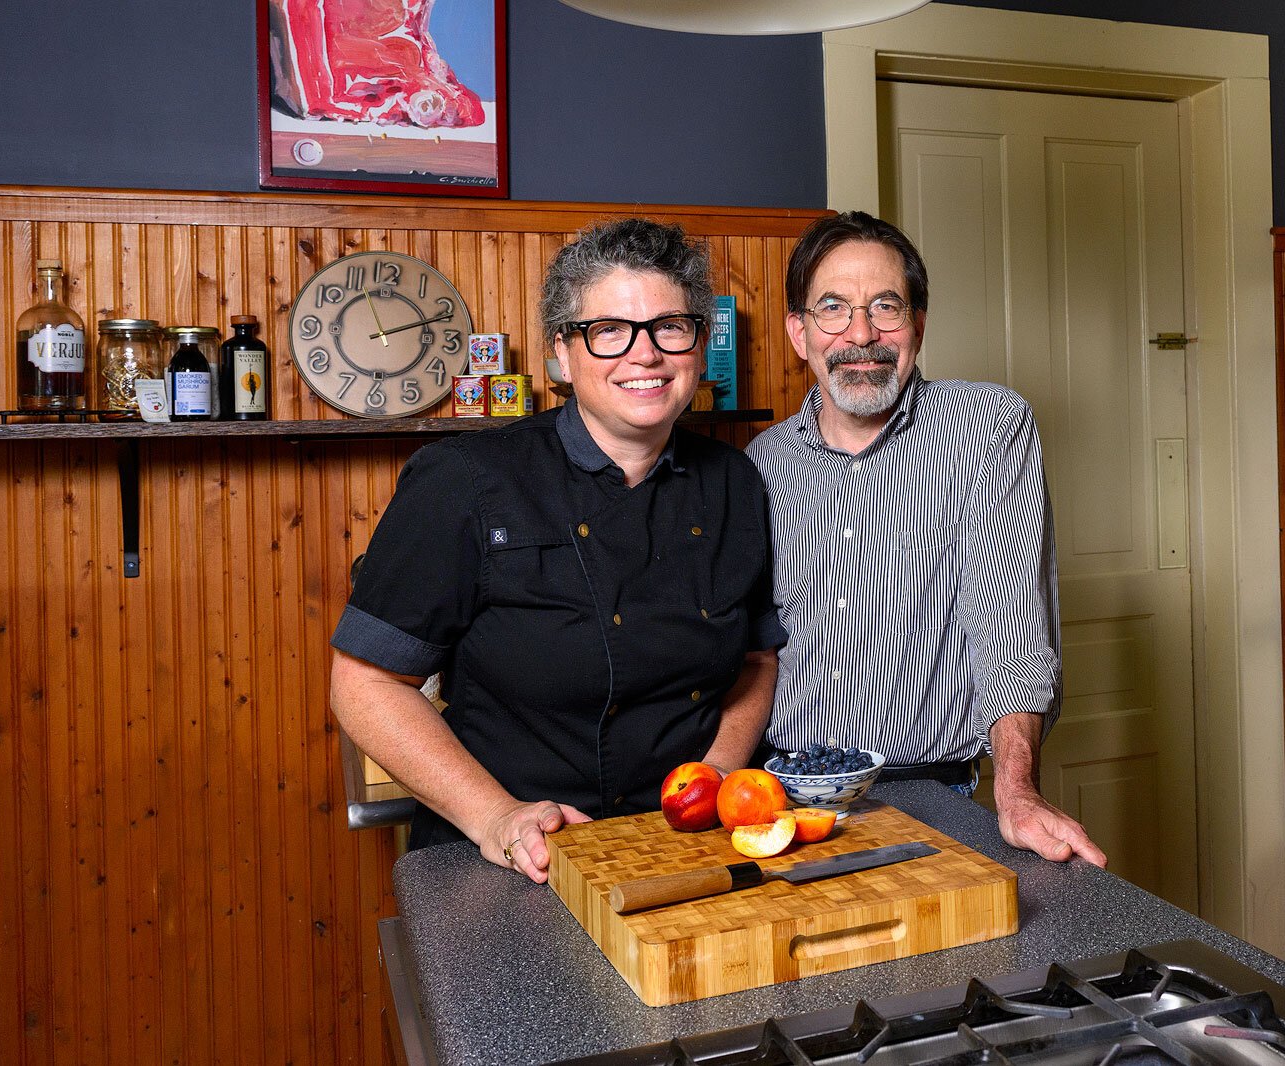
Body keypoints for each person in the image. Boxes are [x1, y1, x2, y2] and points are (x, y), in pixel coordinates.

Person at [330, 218, 783, 883]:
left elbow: (755, 658)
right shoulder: (466, 479)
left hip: (687, 852)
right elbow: (365, 684)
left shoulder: (734, 482)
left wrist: (714, 775)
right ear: (561, 356)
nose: (646, 354)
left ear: (697, 343)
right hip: (510, 863)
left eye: (670, 326)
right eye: (608, 331)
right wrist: (495, 817)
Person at [746, 211, 1106, 867]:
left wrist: (1017, 788)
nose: (861, 334)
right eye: (833, 310)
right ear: (800, 334)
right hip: (777, 804)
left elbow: (1009, 623)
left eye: (886, 307)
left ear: (917, 325)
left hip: (932, 802)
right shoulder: (757, 466)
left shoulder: (987, 428)